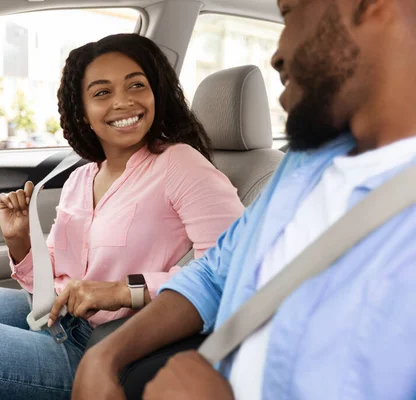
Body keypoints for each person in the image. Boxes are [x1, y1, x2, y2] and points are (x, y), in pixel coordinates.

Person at [72, 1, 416, 399]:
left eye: (289, 14)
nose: (277, 54)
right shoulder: (303, 164)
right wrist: (106, 356)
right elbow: (216, 272)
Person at [0, 33, 244, 400]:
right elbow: (53, 279)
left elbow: (234, 269)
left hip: (96, 349)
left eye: (136, 85)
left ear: (156, 94)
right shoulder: (81, 177)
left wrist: (124, 289)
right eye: (102, 92)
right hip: (51, 314)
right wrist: (21, 243)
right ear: (83, 112)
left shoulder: (179, 164)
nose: (123, 101)